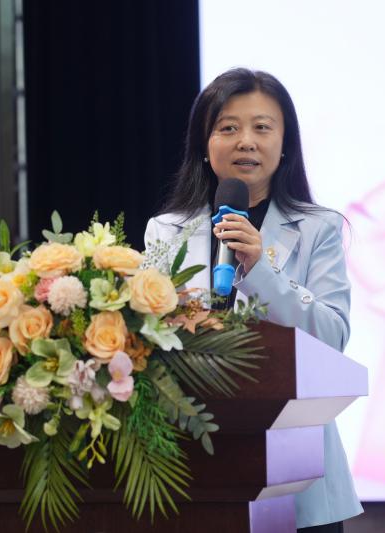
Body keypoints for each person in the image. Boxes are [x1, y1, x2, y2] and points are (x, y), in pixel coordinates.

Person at [144, 68, 363, 532]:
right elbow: (147, 340)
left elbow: (331, 338)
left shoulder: (318, 229)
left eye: (262, 127)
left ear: (285, 146)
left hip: (300, 474)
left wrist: (261, 269)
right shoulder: (165, 231)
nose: (246, 141)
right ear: (204, 145)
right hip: (193, 464)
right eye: (228, 127)